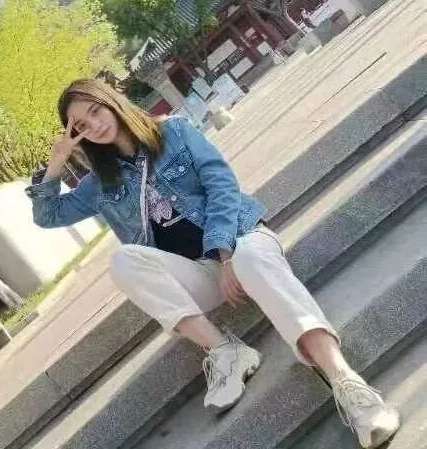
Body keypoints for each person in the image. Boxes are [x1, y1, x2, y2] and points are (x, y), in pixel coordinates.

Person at [26, 79, 400, 448]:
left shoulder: (173, 133)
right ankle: (225, 351)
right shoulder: (100, 184)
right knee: (123, 261)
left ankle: (348, 383)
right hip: (198, 276)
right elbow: (47, 215)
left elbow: (221, 184)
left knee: (250, 256)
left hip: (242, 240)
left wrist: (225, 252)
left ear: (112, 103)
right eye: (82, 125)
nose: (94, 125)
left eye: (96, 111)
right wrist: (57, 163)